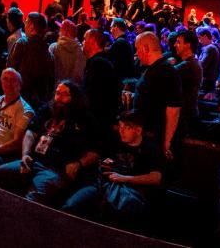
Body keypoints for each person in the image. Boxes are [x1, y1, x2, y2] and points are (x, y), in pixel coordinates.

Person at [0, 81, 98, 206]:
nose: (59, 97)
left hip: (58, 169)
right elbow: (30, 132)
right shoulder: (47, 110)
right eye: (58, 93)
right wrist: (25, 154)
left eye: (65, 94)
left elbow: (95, 151)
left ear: (74, 98)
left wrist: (78, 164)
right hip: (35, 161)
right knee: (1, 172)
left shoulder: (85, 119)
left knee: (32, 197)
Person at [62, 110, 164, 228]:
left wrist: (125, 178)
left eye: (126, 128)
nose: (121, 131)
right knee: (70, 206)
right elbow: (102, 159)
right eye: (120, 126)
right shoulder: (115, 141)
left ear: (138, 130)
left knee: (113, 218)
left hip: (128, 191)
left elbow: (156, 178)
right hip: (102, 185)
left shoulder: (150, 149)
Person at [133, 32, 182, 161]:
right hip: (148, 134)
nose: (137, 54)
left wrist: (167, 142)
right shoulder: (153, 69)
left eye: (137, 49)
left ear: (145, 49)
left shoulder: (167, 72)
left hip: (156, 137)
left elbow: (173, 110)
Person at [7, 13, 56, 115]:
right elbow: (51, 83)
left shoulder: (22, 43)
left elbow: (9, 70)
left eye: (26, 22)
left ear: (31, 26)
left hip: (19, 101)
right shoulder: (49, 54)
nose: (24, 25)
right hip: (37, 106)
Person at [81, 28, 120, 136]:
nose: (82, 42)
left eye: (84, 39)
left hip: (97, 124)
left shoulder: (98, 64)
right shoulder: (100, 62)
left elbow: (94, 96)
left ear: (93, 41)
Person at [173, 29, 203, 133]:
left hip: (185, 117)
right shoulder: (191, 63)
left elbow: (163, 75)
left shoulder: (187, 65)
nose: (174, 45)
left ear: (188, 45)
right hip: (188, 114)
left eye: (178, 42)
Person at [50, 20, 86, 85]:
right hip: (73, 90)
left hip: (57, 89)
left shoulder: (54, 47)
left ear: (66, 33)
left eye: (61, 30)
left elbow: (49, 72)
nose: (59, 32)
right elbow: (80, 75)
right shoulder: (81, 50)